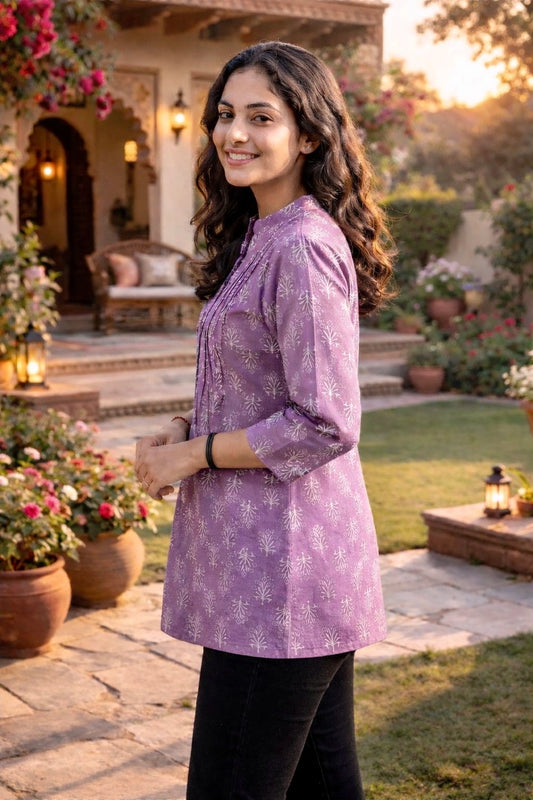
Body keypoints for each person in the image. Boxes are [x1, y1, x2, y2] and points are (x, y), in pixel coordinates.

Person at [135, 40, 395, 800]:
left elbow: (324, 421)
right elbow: (265, 387)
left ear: (308, 135)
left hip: (282, 581)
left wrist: (193, 457)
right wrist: (186, 427)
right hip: (273, 577)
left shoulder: (303, 245)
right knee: (321, 783)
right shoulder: (264, 233)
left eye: (261, 116)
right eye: (224, 114)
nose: (233, 133)